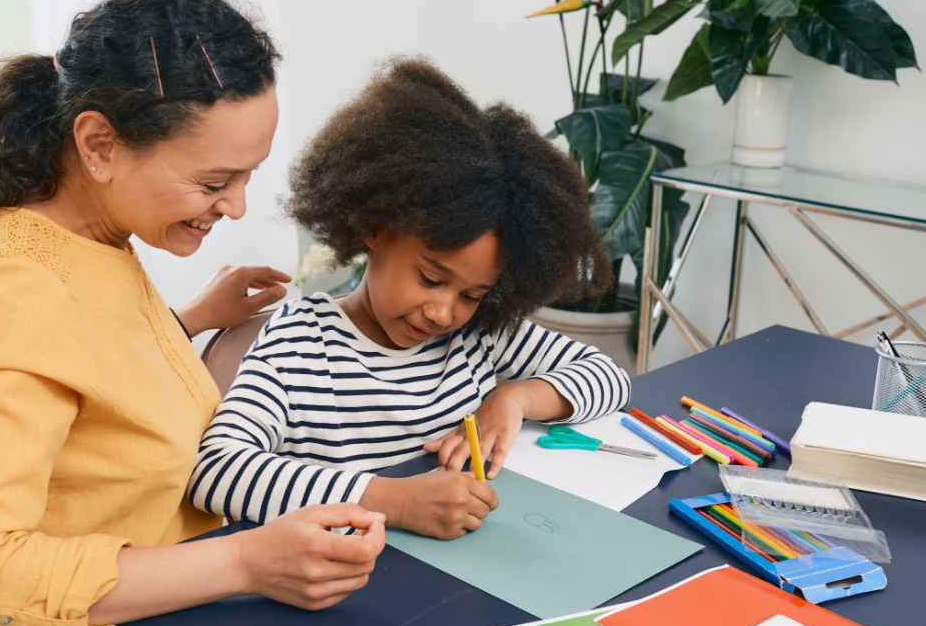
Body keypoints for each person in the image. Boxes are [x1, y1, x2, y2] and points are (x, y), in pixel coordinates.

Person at [0, 0, 385, 626]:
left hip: (166, 624)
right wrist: (247, 561)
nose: (236, 206)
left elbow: (80, 371)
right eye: (215, 183)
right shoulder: (13, 292)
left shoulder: (82, 237)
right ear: (100, 146)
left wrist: (185, 319)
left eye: (248, 175)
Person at [188, 58, 631, 541]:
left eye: (473, 294)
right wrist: (393, 500)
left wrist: (516, 398)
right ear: (377, 228)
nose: (444, 312)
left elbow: (609, 377)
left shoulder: (477, 333)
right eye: (429, 277)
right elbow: (215, 472)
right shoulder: (299, 343)